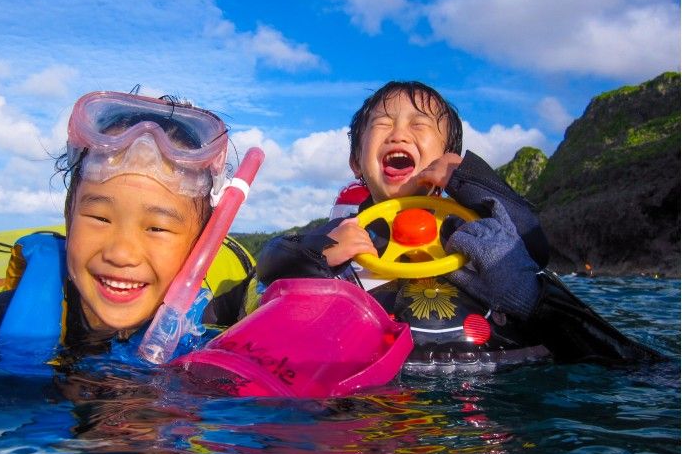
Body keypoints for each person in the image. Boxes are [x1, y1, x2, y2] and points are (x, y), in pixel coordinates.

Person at [254, 80, 661, 366]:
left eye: (419, 125)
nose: (398, 133)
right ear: (356, 163)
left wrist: (469, 176)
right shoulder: (343, 236)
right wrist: (317, 256)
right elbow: (271, 265)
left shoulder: (481, 235)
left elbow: (533, 243)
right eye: (382, 124)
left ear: (448, 157)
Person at [0, 91, 250, 355]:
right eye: (100, 218)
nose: (121, 253)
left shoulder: (211, 340)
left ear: (202, 243)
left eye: (156, 228)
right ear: (68, 215)